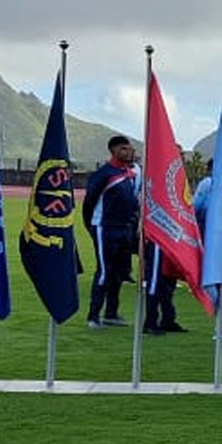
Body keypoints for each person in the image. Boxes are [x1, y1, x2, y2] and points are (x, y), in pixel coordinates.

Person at [83, 135, 140, 329]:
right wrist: (92, 226)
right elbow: (89, 202)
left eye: (131, 148)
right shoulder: (104, 174)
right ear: (114, 150)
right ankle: (93, 316)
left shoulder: (130, 174)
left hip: (125, 229)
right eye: (124, 148)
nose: (130, 152)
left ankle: (111, 313)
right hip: (105, 228)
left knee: (119, 273)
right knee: (104, 271)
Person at [142, 242, 185, 335]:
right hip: (158, 241)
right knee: (155, 282)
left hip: (170, 241)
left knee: (169, 281)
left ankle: (167, 320)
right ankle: (150, 322)